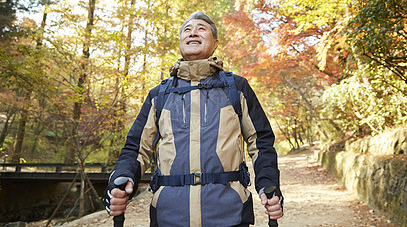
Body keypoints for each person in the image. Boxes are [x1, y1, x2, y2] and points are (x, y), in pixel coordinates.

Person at [103, 11, 283, 226]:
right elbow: (136, 148)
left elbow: (260, 141)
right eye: (187, 29)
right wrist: (122, 178)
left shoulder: (236, 87)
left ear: (215, 43)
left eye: (201, 28)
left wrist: (268, 183)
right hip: (169, 216)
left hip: (229, 214)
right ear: (180, 41)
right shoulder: (159, 95)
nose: (193, 33)